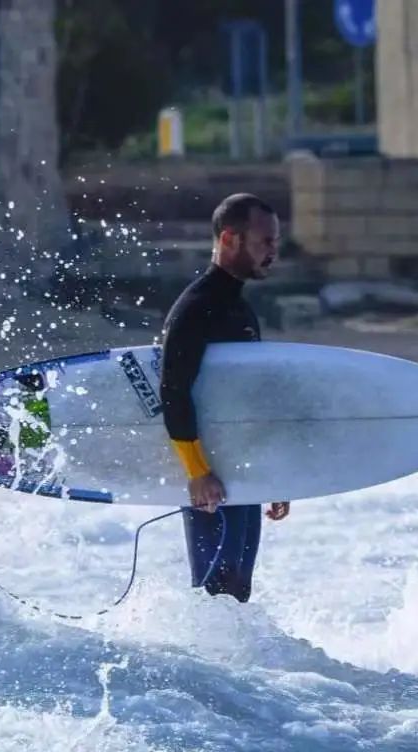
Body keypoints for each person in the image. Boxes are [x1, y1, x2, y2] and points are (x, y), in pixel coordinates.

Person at [159, 193, 290, 603]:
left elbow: (251, 399)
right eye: (264, 242)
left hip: (242, 473)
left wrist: (273, 475)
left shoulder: (240, 309)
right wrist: (197, 471)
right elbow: (173, 389)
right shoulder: (197, 308)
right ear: (231, 238)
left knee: (239, 591)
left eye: (274, 242)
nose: (273, 252)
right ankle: (202, 666)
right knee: (214, 590)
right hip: (210, 478)